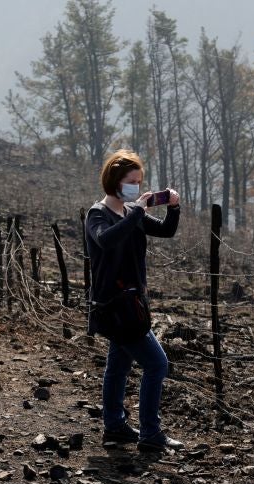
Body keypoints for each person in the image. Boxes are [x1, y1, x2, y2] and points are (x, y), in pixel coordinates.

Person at [85, 149, 183, 452]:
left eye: (140, 182)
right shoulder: (97, 214)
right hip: (115, 307)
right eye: (132, 182)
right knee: (157, 364)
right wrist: (138, 211)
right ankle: (151, 434)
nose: (137, 188)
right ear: (115, 181)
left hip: (132, 304)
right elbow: (107, 239)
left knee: (118, 365)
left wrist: (174, 206)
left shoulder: (132, 214)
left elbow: (166, 230)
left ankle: (114, 426)